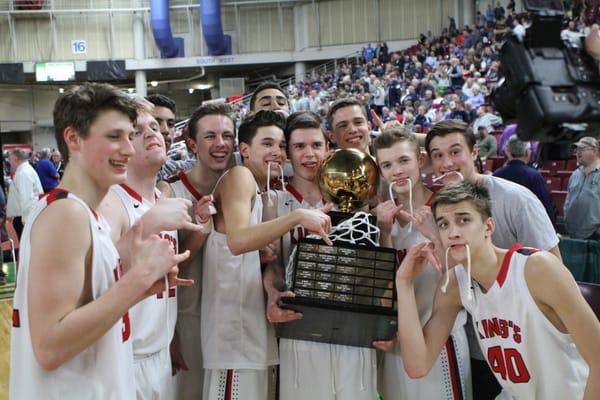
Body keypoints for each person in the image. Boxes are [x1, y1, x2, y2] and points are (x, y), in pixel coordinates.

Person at [10, 82, 191, 399]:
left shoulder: (83, 213)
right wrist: (139, 279)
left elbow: (89, 311)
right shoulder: (66, 214)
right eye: (114, 137)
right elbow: (50, 347)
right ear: (73, 139)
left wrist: (139, 288)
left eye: (128, 135)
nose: (129, 149)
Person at [396, 181, 600, 400]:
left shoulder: (537, 269)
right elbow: (418, 365)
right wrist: (404, 282)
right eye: (443, 224)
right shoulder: (455, 283)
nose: (453, 232)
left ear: (489, 227)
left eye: (463, 220)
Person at [425, 120, 561, 398]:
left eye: (455, 151)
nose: (446, 162)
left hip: (531, 345)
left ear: (475, 153)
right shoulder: (440, 211)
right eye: (437, 155)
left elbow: (556, 272)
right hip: (480, 346)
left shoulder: (514, 199)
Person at [201, 110, 332, 399]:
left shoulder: (262, 193)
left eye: (282, 145)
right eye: (268, 144)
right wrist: (298, 216)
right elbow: (237, 241)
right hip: (233, 335)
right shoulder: (239, 176)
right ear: (244, 150)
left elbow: (255, 254)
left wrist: (272, 292)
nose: (277, 152)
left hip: (253, 332)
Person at [98, 99, 204, 399]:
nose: (152, 134)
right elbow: (95, 275)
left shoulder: (161, 199)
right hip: (123, 358)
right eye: (137, 131)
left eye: (155, 127)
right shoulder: (111, 200)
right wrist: (147, 225)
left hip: (158, 351)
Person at [373, 128, 472, 400]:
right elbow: (380, 286)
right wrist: (383, 233)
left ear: (421, 160)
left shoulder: (448, 206)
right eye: (387, 165)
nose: (397, 171)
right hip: (396, 344)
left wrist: (434, 235)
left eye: (404, 161)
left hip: (441, 340)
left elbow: (467, 277)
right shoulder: (381, 219)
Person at [162, 102, 237, 399]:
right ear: (191, 143)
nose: (221, 144)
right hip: (189, 318)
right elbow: (165, 270)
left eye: (228, 135)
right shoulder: (169, 192)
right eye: (210, 136)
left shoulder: (245, 187)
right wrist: (168, 334)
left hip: (235, 317)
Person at [493, 136, 555, 224]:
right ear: (527, 153)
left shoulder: (496, 175)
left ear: (508, 152)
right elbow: (545, 206)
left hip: (502, 227)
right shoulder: (534, 176)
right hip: (528, 227)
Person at [147, 94, 196, 181]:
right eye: (156, 123)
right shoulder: (121, 180)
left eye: (170, 124)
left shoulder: (175, 169)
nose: (165, 130)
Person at [564, 136, 600, 240]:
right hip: (573, 234)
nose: (578, 152)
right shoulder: (575, 174)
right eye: (576, 149)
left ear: (594, 150)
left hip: (595, 236)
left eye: (582, 149)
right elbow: (568, 200)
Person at [6, 148, 43, 239]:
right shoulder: (24, 170)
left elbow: (27, 198)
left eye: (10, 159)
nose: (9, 162)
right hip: (24, 215)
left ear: (15, 159)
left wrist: (26, 220)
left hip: (24, 217)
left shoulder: (23, 173)